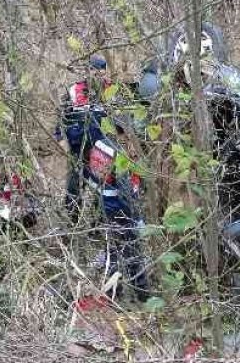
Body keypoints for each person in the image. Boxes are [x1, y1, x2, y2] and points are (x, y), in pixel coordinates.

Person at [55, 55, 149, 300]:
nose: (96, 76)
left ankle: (132, 293)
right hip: (85, 160)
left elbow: (132, 127)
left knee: (123, 241)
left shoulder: (116, 93)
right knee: (81, 204)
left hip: (109, 168)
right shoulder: (74, 93)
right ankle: (125, 292)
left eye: (100, 71)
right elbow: (61, 127)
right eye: (92, 71)